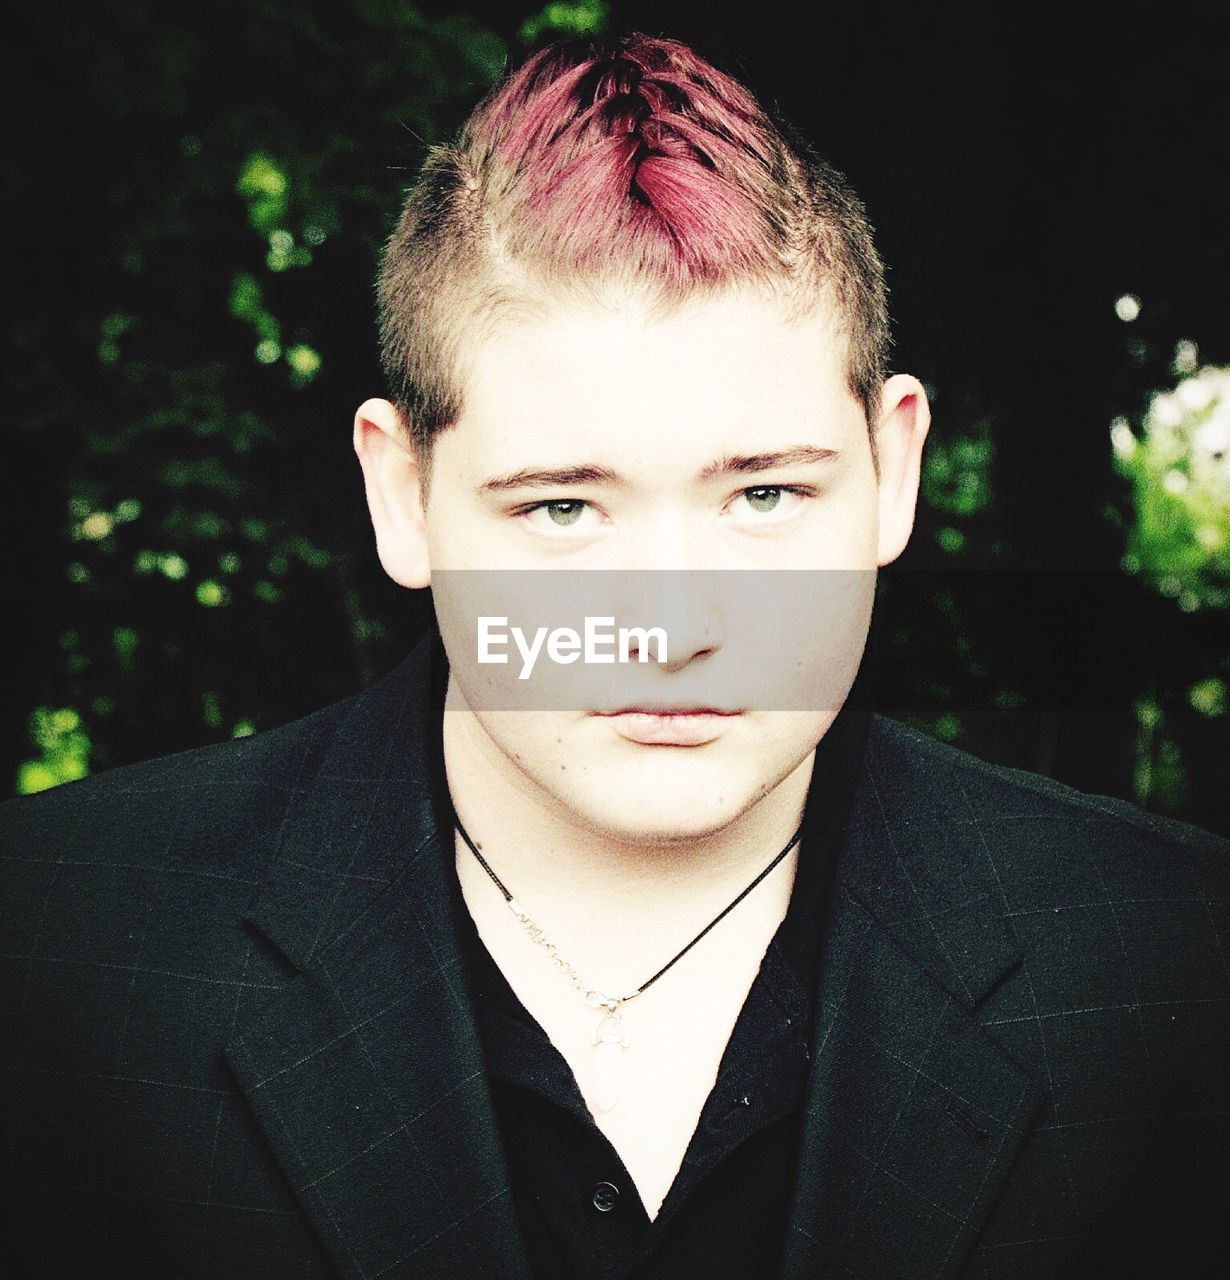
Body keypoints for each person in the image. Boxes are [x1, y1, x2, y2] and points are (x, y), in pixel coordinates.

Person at [2, 30, 1228, 1280]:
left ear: (892, 469)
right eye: (562, 509)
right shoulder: (49, 950)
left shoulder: (1180, 964)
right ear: (405, 498)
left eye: (763, 496)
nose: (673, 625)